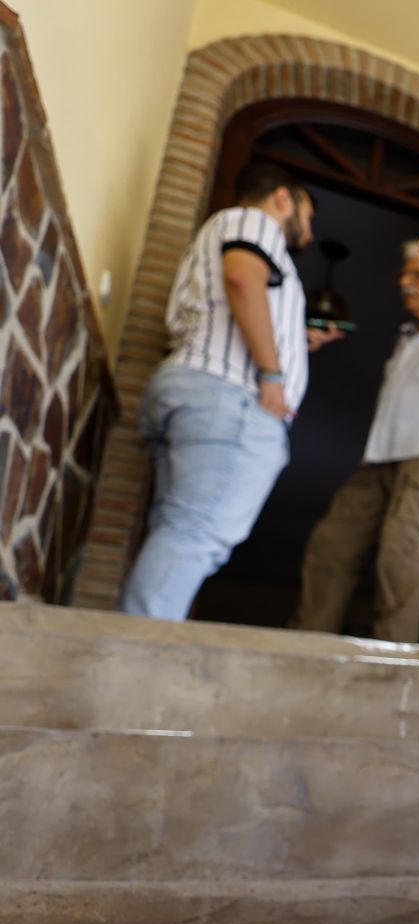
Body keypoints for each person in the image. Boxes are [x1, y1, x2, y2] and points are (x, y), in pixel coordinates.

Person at [121, 161, 341, 619]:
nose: (311, 232)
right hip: (228, 400)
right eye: (309, 214)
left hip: (201, 391)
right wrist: (273, 377)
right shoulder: (253, 222)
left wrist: (293, 342)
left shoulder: (221, 230)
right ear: (283, 199)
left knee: (178, 530)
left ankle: (136, 648)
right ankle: (133, 663)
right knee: (195, 534)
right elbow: (242, 277)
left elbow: (230, 300)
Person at [293, 234, 419, 643]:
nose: (405, 282)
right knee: (330, 547)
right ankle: (304, 647)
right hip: (379, 460)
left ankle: (393, 668)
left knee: (401, 558)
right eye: (405, 274)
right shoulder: (406, 337)